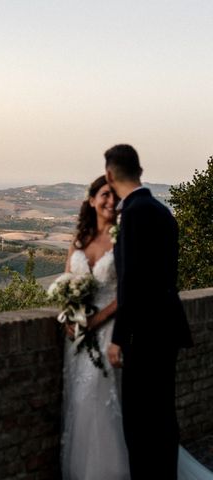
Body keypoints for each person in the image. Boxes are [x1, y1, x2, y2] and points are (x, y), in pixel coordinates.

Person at [104, 144, 193, 480]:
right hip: (167, 327)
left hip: (145, 333)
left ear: (111, 175)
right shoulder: (160, 210)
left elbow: (132, 282)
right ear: (139, 171)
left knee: (140, 422)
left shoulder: (135, 213)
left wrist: (118, 338)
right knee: (163, 417)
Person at [60, 175, 130, 480]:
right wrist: (69, 317)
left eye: (115, 196)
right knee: (78, 400)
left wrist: (96, 321)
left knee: (99, 400)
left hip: (107, 332)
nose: (110, 201)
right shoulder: (79, 240)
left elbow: (128, 289)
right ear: (91, 200)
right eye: (104, 195)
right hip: (77, 336)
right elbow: (68, 284)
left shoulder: (123, 238)